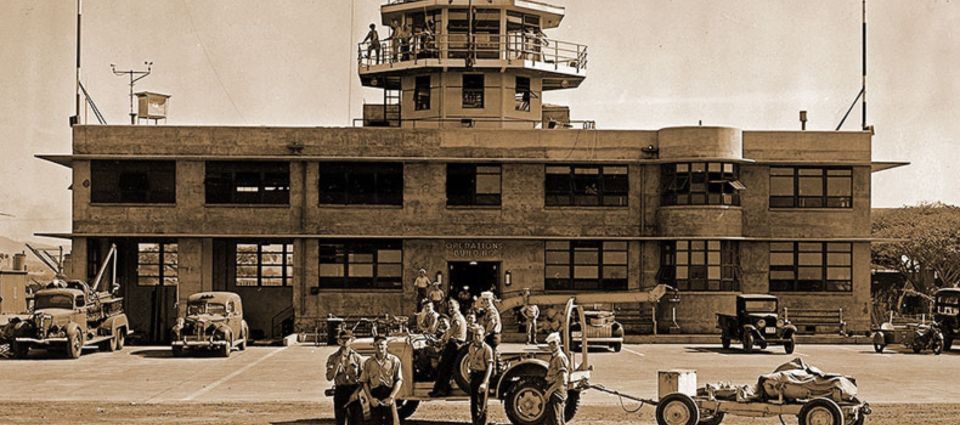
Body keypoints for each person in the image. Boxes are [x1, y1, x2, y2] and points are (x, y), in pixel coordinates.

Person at [361, 335, 404, 425]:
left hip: (388, 394)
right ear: (373, 346)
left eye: (382, 344)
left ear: (386, 346)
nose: (379, 347)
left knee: (392, 422)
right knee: (375, 422)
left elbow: (399, 380)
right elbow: (364, 382)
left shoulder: (394, 361)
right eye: (377, 345)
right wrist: (371, 399)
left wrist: (391, 397)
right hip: (375, 395)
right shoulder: (369, 362)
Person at [325, 329, 364, 425]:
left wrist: (356, 393)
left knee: (357, 420)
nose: (345, 341)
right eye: (342, 339)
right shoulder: (332, 358)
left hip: (353, 390)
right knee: (341, 420)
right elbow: (329, 377)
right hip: (340, 391)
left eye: (347, 339)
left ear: (352, 340)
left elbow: (363, 379)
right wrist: (337, 362)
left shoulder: (357, 358)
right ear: (339, 341)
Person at [429, 299, 467, 397]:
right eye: (449, 306)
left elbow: (453, 329)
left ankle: (440, 390)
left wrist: (443, 340)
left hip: (454, 344)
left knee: (443, 367)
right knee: (446, 368)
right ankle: (441, 389)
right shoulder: (456, 316)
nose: (450, 308)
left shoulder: (457, 317)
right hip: (455, 343)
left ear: (458, 306)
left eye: (452, 306)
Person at [465, 325, 494, 425]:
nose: (476, 337)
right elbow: (469, 360)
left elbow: (489, 366)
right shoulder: (471, 347)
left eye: (478, 335)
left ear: (483, 336)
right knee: (474, 401)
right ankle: (474, 421)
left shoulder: (487, 349)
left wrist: (485, 382)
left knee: (482, 403)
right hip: (474, 375)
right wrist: (469, 373)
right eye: (474, 335)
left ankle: (481, 422)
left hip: (483, 375)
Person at [544, 332, 569, 425]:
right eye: (550, 343)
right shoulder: (556, 356)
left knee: (556, 419)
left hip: (556, 391)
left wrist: (549, 392)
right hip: (556, 390)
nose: (552, 345)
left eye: (554, 343)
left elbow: (562, 379)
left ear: (559, 342)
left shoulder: (559, 358)